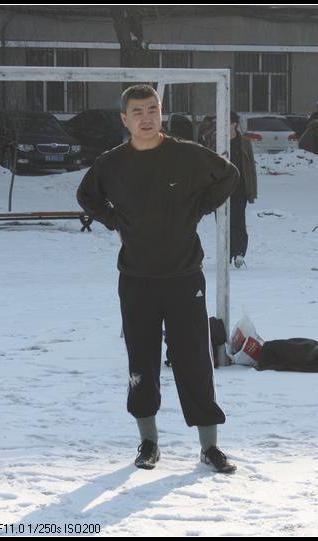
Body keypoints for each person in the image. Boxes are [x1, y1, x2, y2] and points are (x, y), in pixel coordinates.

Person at [77, 85, 239, 474]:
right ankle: (148, 442)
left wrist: (198, 207)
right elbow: (87, 196)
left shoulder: (185, 154)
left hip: (184, 278)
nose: (146, 117)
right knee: (142, 362)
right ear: (125, 119)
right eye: (137, 111)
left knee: (194, 361)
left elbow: (228, 175)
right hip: (137, 280)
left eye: (152, 109)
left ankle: (209, 447)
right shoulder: (112, 164)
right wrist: (115, 220)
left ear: (160, 113)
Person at [228, 111, 258, 269]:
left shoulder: (244, 143)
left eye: (227, 122)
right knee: (223, 223)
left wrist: (252, 191)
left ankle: (239, 253)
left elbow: (250, 168)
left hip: (239, 190)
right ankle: (227, 252)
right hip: (221, 192)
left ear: (234, 124)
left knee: (238, 221)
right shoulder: (217, 141)